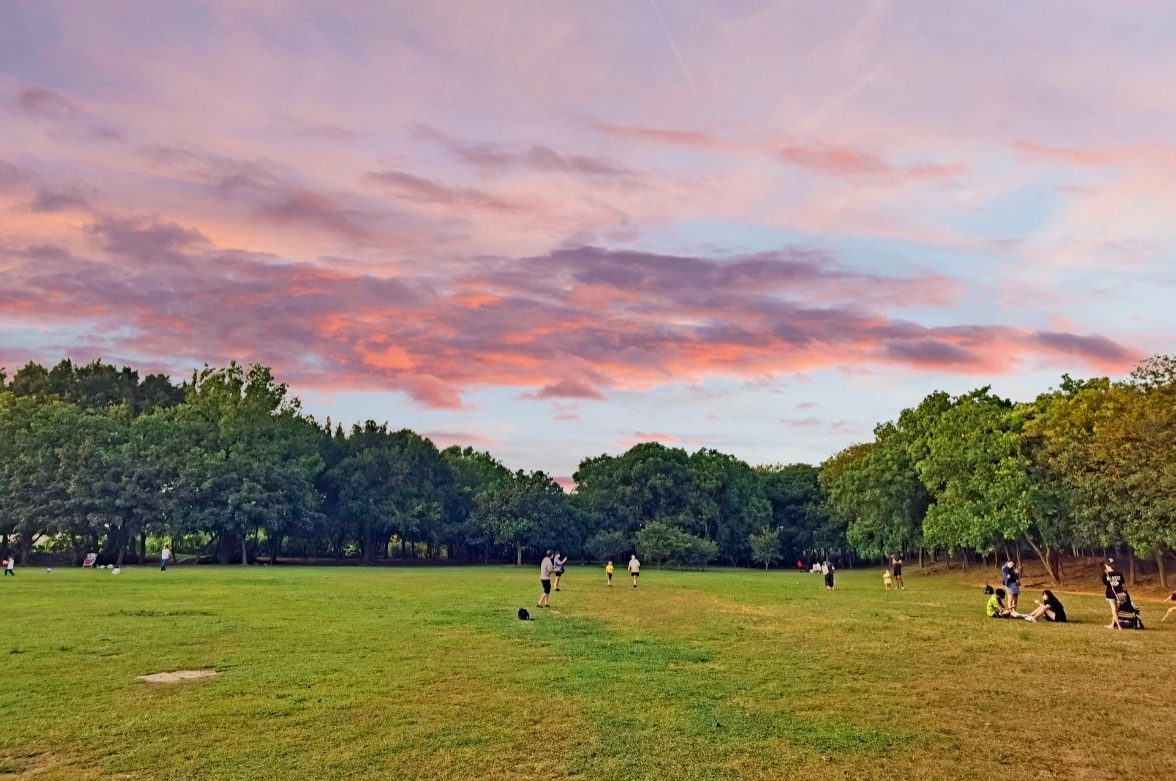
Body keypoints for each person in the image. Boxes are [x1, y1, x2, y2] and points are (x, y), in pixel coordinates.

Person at [1101, 559, 1126, 630]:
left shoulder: (1105, 574)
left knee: (1114, 610)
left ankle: (1118, 626)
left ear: (1105, 565)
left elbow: (1105, 583)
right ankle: (1112, 624)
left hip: (1110, 593)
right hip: (1120, 593)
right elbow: (1122, 583)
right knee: (1117, 610)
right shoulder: (1119, 573)